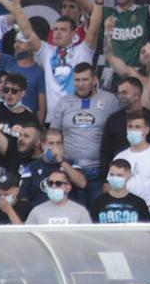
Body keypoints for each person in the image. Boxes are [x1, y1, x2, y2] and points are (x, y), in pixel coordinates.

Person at [50, 62, 118, 205]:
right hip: (70, 170)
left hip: (98, 170)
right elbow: (54, 133)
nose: (80, 84)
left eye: (85, 79)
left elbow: (118, 130)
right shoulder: (63, 102)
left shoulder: (110, 100)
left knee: (95, 216)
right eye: (77, 80)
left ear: (94, 80)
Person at [90, 159, 150, 223]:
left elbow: (146, 229)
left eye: (119, 175)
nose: (115, 178)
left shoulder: (139, 203)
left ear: (129, 176)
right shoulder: (98, 203)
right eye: (112, 175)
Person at [26, 168, 92, 225]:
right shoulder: (36, 211)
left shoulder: (80, 211)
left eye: (58, 183)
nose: (53, 186)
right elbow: (28, 236)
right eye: (50, 183)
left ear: (68, 187)